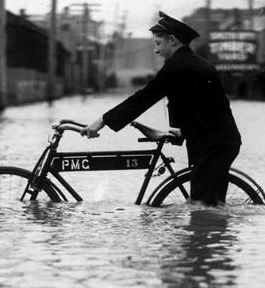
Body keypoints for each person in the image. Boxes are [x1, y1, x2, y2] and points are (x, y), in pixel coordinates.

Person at [81, 11, 241, 205]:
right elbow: (208, 108)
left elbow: (144, 97)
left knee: (201, 207)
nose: (156, 51)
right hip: (216, 141)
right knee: (211, 207)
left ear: (172, 40)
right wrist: (184, 129)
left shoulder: (177, 66)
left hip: (212, 144)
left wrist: (103, 121)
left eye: (158, 44)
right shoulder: (197, 64)